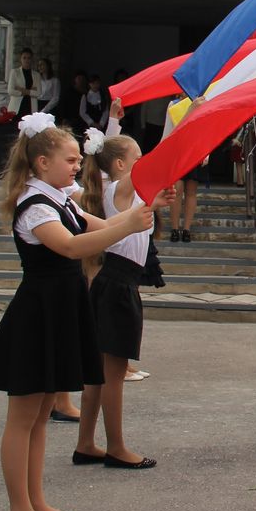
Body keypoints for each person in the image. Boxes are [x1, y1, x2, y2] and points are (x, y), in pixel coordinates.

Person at [0, 114, 153, 511]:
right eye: (71, 160)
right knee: (23, 417)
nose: (78, 166)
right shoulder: (34, 204)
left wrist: (139, 214)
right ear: (41, 162)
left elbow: (103, 226)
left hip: (58, 311)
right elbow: (73, 246)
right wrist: (128, 225)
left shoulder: (58, 198)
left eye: (79, 159)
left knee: (40, 415)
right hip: (37, 315)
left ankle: (36, 501)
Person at [74, 129, 172, 469]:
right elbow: (161, 159)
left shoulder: (124, 194)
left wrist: (154, 202)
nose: (143, 163)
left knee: (99, 375)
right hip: (116, 285)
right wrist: (188, 117)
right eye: (137, 158)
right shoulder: (118, 188)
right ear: (119, 164)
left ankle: (86, 443)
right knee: (112, 375)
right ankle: (116, 447)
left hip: (115, 282)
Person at [6, 48, 40, 118]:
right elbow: (10, 91)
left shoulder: (36, 75)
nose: (26, 60)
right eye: (24, 58)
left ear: (32, 59)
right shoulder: (15, 72)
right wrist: (30, 91)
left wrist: (22, 90)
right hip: (16, 108)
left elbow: (38, 93)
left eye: (29, 58)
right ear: (20, 59)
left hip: (30, 107)